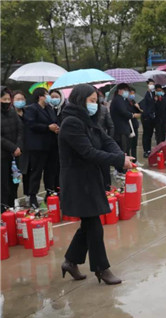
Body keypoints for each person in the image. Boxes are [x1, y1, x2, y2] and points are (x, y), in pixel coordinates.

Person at [59, 84, 135, 285]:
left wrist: (121, 155)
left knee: (89, 224)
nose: (96, 105)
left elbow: (106, 139)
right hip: (77, 182)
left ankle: (70, 261)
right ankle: (101, 268)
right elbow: (88, 152)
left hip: (90, 179)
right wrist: (118, 161)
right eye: (92, 101)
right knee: (94, 225)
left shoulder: (89, 120)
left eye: (96, 101)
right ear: (80, 100)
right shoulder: (71, 123)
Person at [24, 88, 59, 208]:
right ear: (40, 96)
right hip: (38, 146)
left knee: (51, 171)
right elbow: (31, 124)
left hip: (51, 146)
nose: (49, 97)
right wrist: (47, 127)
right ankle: (32, 196)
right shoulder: (31, 109)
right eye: (47, 94)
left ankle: (50, 192)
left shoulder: (49, 109)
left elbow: (54, 120)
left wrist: (55, 127)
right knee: (37, 172)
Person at [110, 83, 140, 176]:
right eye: (126, 90)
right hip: (121, 129)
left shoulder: (121, 100)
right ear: (120, 90)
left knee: (125, 148)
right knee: (123, 149)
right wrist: (133, 115)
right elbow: (123, 112)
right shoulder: (118, 100)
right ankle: (121, 170)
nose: (127, 93)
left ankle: (122, 169)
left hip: (123, 128)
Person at [1, 88, 23, 211]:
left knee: (14, 183)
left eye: (8, 99)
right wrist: (12, 147)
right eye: (4, 99)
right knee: (3, 184)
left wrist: (18, 146)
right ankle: (3, 208)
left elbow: (20, 129)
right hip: (2, 155)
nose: (6, 102)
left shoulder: (12, 112)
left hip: (14, 155)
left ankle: (12, 206)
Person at [95, 90, 115, 191]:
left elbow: (110, 126)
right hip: (89, 146)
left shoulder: (103, 109)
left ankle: (107, 189)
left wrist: (108, 140)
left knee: (105, 169)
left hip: (102, 143)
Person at [12, 91, 30, 198]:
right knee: (15, 175)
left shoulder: (28, 112)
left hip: (28, 147)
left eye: (22, 99)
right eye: (17, 99)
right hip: (15, 148)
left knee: (28, 172)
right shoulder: (10, 114)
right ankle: (13, 198)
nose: (20, 101)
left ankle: (28, 195)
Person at [139, 79, 157, 158]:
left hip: (152, 117)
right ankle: (146, 150)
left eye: (153, 84)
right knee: (146, 134)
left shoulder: (152, 94)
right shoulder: (144, 94)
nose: (152, 85)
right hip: (146, 117)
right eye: (151, 84)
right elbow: (144, 106)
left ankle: (149, 149)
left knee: (150, 134)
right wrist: (147, 114)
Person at [126, 88, 142, 161]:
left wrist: (138, 107)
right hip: (128, 125)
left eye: (133, 93)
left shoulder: (134, 102)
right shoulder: (125, 102)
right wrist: (133, 114)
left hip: (135, 125)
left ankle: (135, 160)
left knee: (134, 144)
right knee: (128, 144)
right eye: (131, 93)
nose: (132, 95)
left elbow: (141, 112)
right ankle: (129, 160)